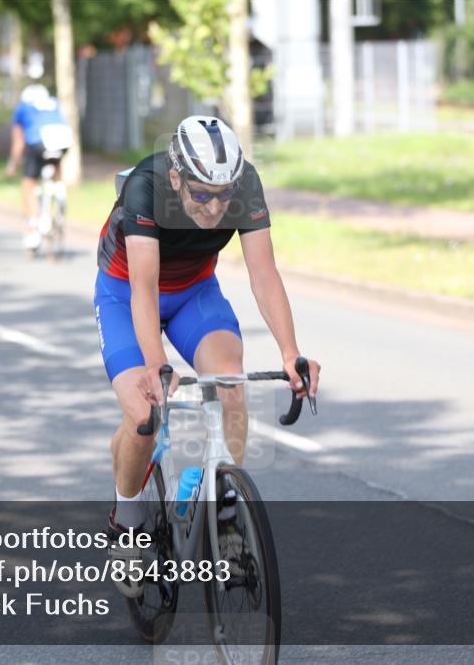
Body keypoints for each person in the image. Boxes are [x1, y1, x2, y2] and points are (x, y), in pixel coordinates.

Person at [94, 116, 320, 595]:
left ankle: (226, 518)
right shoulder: (145, 187)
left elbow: (263, 274)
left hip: (196, 290)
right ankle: (127, 524)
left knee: (230, 387)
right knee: (143, 414)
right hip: (126, 292)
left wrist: (290, 352)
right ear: (177, 179)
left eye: (224, 196)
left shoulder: (246, 185)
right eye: (201, 195)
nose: (216, 207)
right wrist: (157, 365)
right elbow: (143, 288)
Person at [7, 83, 71, 250]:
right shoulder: (54, 102)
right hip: (63, 139)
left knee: (29, 184)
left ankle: (33, 227)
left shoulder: (22, 108)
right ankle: (59, 190)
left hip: (39, 141)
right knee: (55, 162)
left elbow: (19, 142)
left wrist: (13, 164)